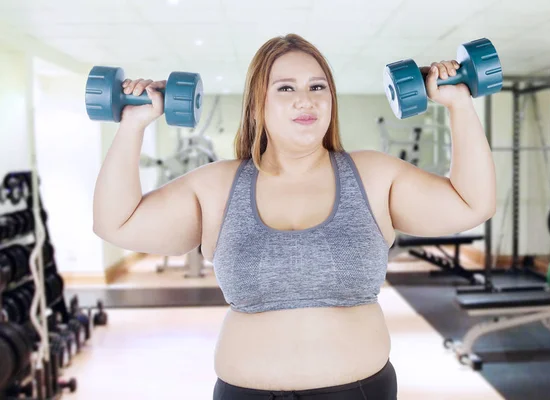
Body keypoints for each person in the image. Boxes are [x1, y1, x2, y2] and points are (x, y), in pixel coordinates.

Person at [93, 34, 496, 399]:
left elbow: (470, 204)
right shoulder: (217, 186)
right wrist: (133, 125)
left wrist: (459, 104)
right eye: (286, 88)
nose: (307, 100)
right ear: (257, 104)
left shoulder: (373, 175)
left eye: (317, 87)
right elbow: (116, 223)